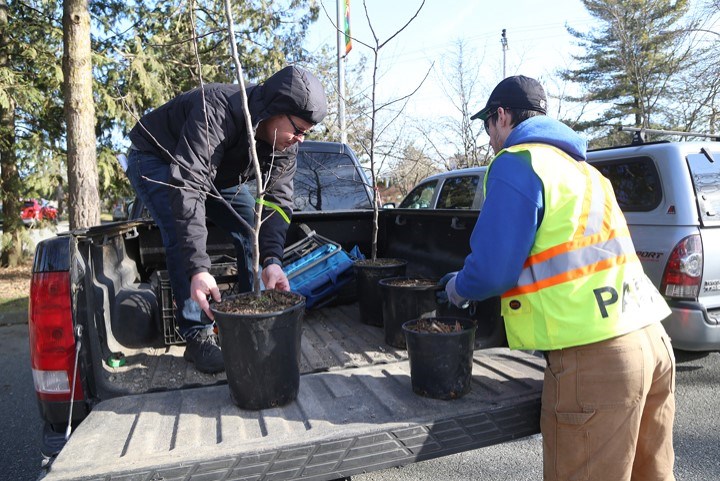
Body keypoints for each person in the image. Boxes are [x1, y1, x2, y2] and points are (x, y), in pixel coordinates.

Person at [439, 75, 676, 480]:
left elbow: (494, 269)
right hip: (653, 342)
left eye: (488, 127)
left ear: (502, 116)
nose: (490, 139)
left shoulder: (519, 161)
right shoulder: (585, 172)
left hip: (598, 362)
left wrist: (457, 288)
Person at [125, 65, 327, 374]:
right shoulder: (217, 110)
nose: (300, 139)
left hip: (216, 172)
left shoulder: (282, 145)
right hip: (158, 158)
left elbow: (277, 203)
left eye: (306, 133)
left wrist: (272, 259)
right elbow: (188, 187)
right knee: (179, 230)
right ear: (276, 109)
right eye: (297, 130)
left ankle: (248, 318)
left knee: (250, 226)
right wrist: (198, 269)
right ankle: (197, 336)